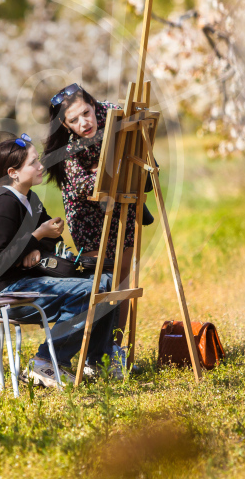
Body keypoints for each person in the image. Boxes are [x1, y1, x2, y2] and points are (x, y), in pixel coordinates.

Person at [0, 135, 118, 387]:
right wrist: (36, 236)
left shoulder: (30, 199)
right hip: (2, 292)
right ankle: (45, 362)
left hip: (24, 280)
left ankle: (96, 361)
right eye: (33, 163)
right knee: (92, 290)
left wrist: (38, 242)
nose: (41, 167)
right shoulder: (4, 204)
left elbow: (48, 240)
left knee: (106, 282)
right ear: (13, 173)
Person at [42, 83, 145, 369]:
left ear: (93, 104)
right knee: (99, 283)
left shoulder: (111, 113)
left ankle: (114, 348)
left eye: (86, 113)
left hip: (122, 205)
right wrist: (106, 171)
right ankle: (90, 355)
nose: (83, 122)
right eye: (73, 120)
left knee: (122, 281)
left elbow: (138, 121)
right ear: (64, 123)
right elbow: (86, 186)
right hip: (87, 214)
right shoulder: (68, 149)